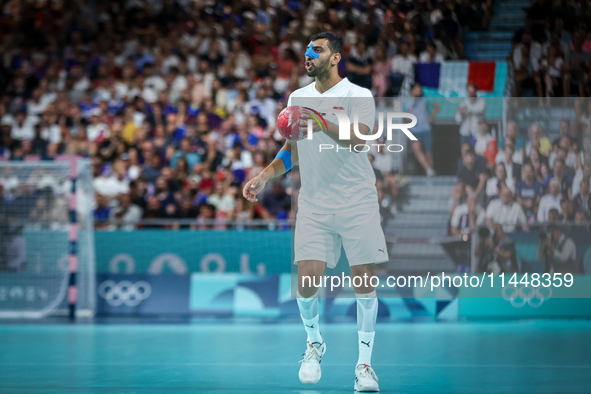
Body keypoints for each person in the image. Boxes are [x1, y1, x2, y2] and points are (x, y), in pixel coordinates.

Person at [243, 32, 384, 391]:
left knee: (363, 280)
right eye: (307, 50)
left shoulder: (358, 95)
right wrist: (263, 176)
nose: (308, 54)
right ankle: (314, 343)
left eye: (317, 50)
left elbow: (361, 138)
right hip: (315, 202)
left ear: (336, 57)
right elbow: (291, 149)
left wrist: (322, 123)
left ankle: (364, 366)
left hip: (357, 199)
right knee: (306, 283)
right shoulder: (297, 98)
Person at [404, 83, 440, 176]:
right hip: (414, 131)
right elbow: (405, 118)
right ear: (412, 91)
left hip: (426, 130)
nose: (419, 91)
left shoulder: (424, 101)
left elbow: (428, 117)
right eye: (417, 89)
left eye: (420, 89)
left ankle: (431, 174)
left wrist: (434, 112)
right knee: (416, 148)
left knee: (428, 154)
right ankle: (428, 169)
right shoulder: (407, 102)